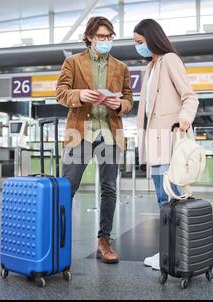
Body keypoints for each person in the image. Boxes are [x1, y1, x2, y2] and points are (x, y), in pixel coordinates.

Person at [56, 16, 133, 264]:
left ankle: (104, 241)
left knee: (109, 189)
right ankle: (56, 239)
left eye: (110, 37)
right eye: (101, 36)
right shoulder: (73, 62)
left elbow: (129, 99)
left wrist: (120, 104)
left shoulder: (121, 67)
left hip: (110, 134)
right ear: (89, 37)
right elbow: (60, 93)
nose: (106, 41)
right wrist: (80, 94)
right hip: (80, 132)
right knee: (68, 186)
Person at [134, 19, 199, 270]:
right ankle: (169, 253)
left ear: (152, 38)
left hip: (170, 141)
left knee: (171, 199)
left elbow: (190, 96)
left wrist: (184, 119)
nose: (138, 47)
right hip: (155, 143)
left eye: (140, 42)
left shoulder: (170, 60)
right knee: (164, 201)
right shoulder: (150, 68)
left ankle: (175, 254)